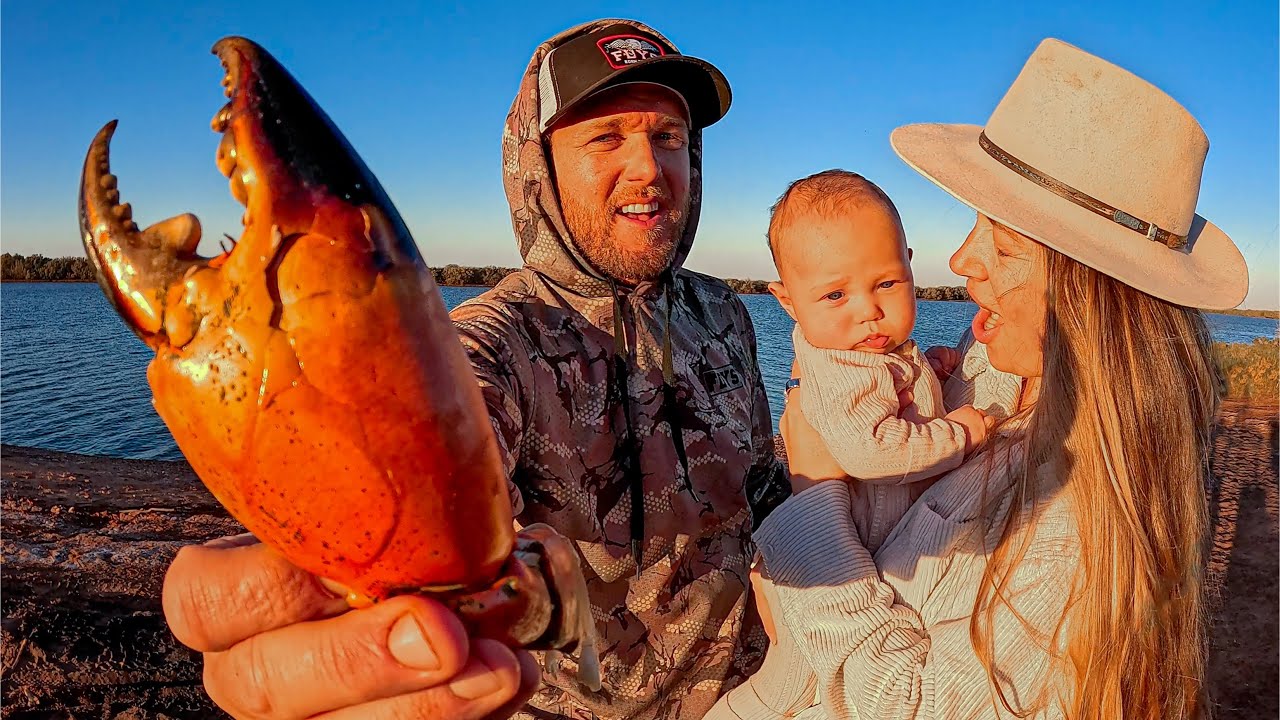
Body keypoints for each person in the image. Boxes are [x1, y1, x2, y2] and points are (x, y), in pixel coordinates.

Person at [161, 18, 791, 720]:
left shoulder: (723, 313)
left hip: (756, 697)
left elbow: (765, 494)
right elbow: (421, 468)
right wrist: (354, 612)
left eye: (668, 136)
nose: (648, 167)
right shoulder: (493, 340)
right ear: (539, 167)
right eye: (606, 138)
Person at [711, 38, 1248, 719]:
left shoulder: (1077, 531)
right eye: (976, 225)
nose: (962, 259)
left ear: (1092, 299)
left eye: (1006, 245)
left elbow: (908, 705)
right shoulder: (991, 360)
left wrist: (811, 509)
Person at [764, 169, 993, 554]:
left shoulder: (867, 352)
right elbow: (868, 451)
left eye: (886, 284)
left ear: (909, 268)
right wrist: (958, 435)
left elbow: (885, 399)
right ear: (789, 303)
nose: (869, 310)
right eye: (836, 295)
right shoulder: (841, 368)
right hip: (871, 544)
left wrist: (927, 374)